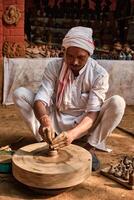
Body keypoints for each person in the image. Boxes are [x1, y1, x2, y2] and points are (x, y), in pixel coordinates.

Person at [13, 26, 126, 171]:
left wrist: (72, 134)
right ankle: (47, 140)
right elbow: (42, 97)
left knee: (118, 103)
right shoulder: (55, 66)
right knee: (20, 94)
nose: (75, 62)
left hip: (84, 122)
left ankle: (90, 146)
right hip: (56, 117)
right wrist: (44, 121)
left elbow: (92, 113)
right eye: (70, 56)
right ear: (64, 51)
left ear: (89, 54)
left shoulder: (99, 74)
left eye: (81, 57)